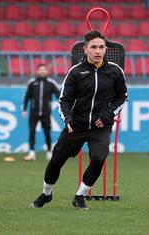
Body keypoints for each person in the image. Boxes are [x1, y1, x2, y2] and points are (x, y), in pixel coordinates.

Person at [29, 30, 128, 210]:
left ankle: (79, 196)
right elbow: (64, 100)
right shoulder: (75, 72)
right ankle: (46, 194)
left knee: (99, 158)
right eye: (93, 47)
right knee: (56, 161)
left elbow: (123, 96)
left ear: (105, 49)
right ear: (85, 49)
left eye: (101, 47)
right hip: (76, 125)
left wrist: (108, 114)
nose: (98, 51)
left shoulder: (115, 71)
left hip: (101, 126)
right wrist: (67, 119)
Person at [22, 63, 60, 161]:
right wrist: (24, 109)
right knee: (32, 132)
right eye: (40, 70)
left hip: (46, 113)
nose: (42, 71)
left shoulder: (51, 83)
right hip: (33, 112)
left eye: (44, 69)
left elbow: (59, 96)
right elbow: (27, 97)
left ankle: (49, 152)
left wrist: (62, 107)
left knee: (47, 132)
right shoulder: (32, 83)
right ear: (37, 71)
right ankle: (31, 153)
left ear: (47, 71)